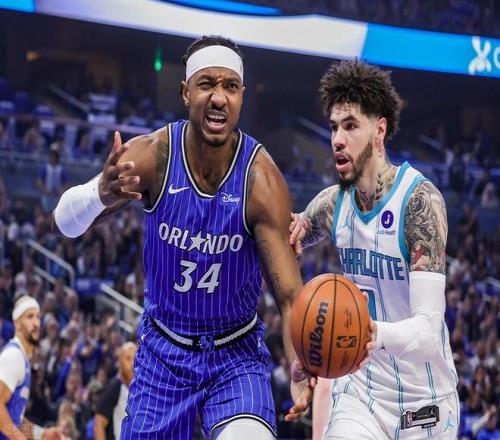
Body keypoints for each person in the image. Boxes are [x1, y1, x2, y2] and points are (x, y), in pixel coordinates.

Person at [52, 35, 313, 439]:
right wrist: (98, 194)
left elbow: (291, 297)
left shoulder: (261, 179)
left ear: (242, 96)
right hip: (163, 352)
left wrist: (298, 363)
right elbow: (64, 221)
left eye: (230, 86)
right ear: (185, 92)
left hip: (235, 353)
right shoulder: (153, 156)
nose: (219, 97)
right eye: (207, 84)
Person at [289, 60, 459, 439]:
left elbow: (429, 331)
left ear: (379, 130)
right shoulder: (332, 205)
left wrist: (368, 334)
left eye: (350, 126)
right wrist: (309, 348)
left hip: (425, 405)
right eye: (334, 127)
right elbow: (285, 242)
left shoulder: (419, 201)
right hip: (361, 394)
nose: (337, 139)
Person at [0, 296, 63, 440]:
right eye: (29, 317)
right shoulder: (13, 356)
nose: (36, 323)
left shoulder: (23, 359)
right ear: (17, 324)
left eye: (38, 317)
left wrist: (42, 434)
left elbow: (14, 421)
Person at [94, 342, 137, 440]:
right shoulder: (114, 386)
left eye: (134, 358)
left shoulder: (137, 388)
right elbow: (99, 423)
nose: (132, 364)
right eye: (127, 358)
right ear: (120, 360)